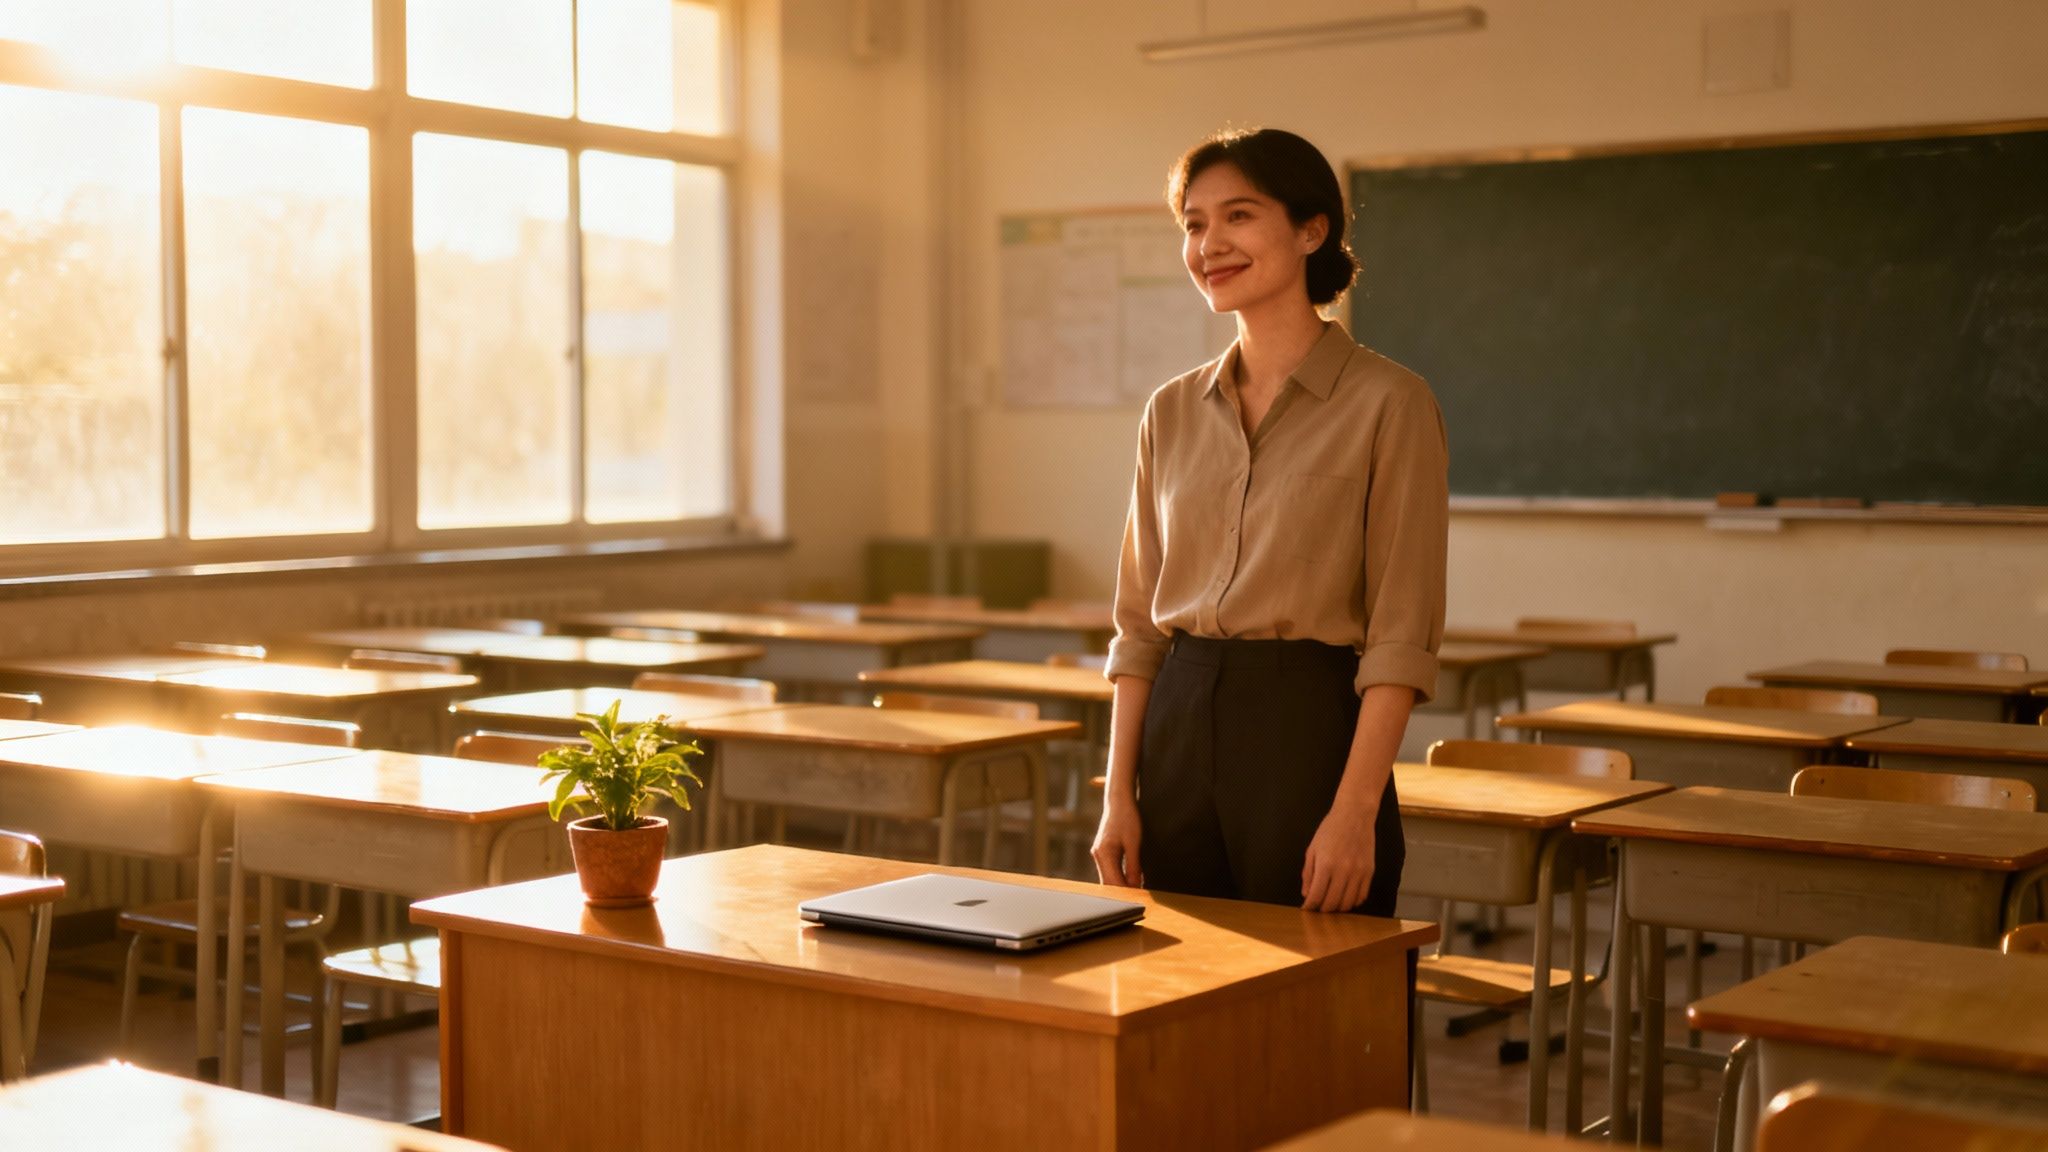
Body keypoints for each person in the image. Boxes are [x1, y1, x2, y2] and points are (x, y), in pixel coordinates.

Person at [1091, 127, 1448, 917]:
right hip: (1179, 720)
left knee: (1320, 1003)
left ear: (1311, 229)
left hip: (1308, 729)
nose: (1209, 244)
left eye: (1239, 217)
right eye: (1193, 224)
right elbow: (1137, 626)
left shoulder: (1391, 403)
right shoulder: (1172, 410)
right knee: (1180, 998)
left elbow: (1401, 636)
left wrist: (1354, 813)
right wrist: (1119, 794)